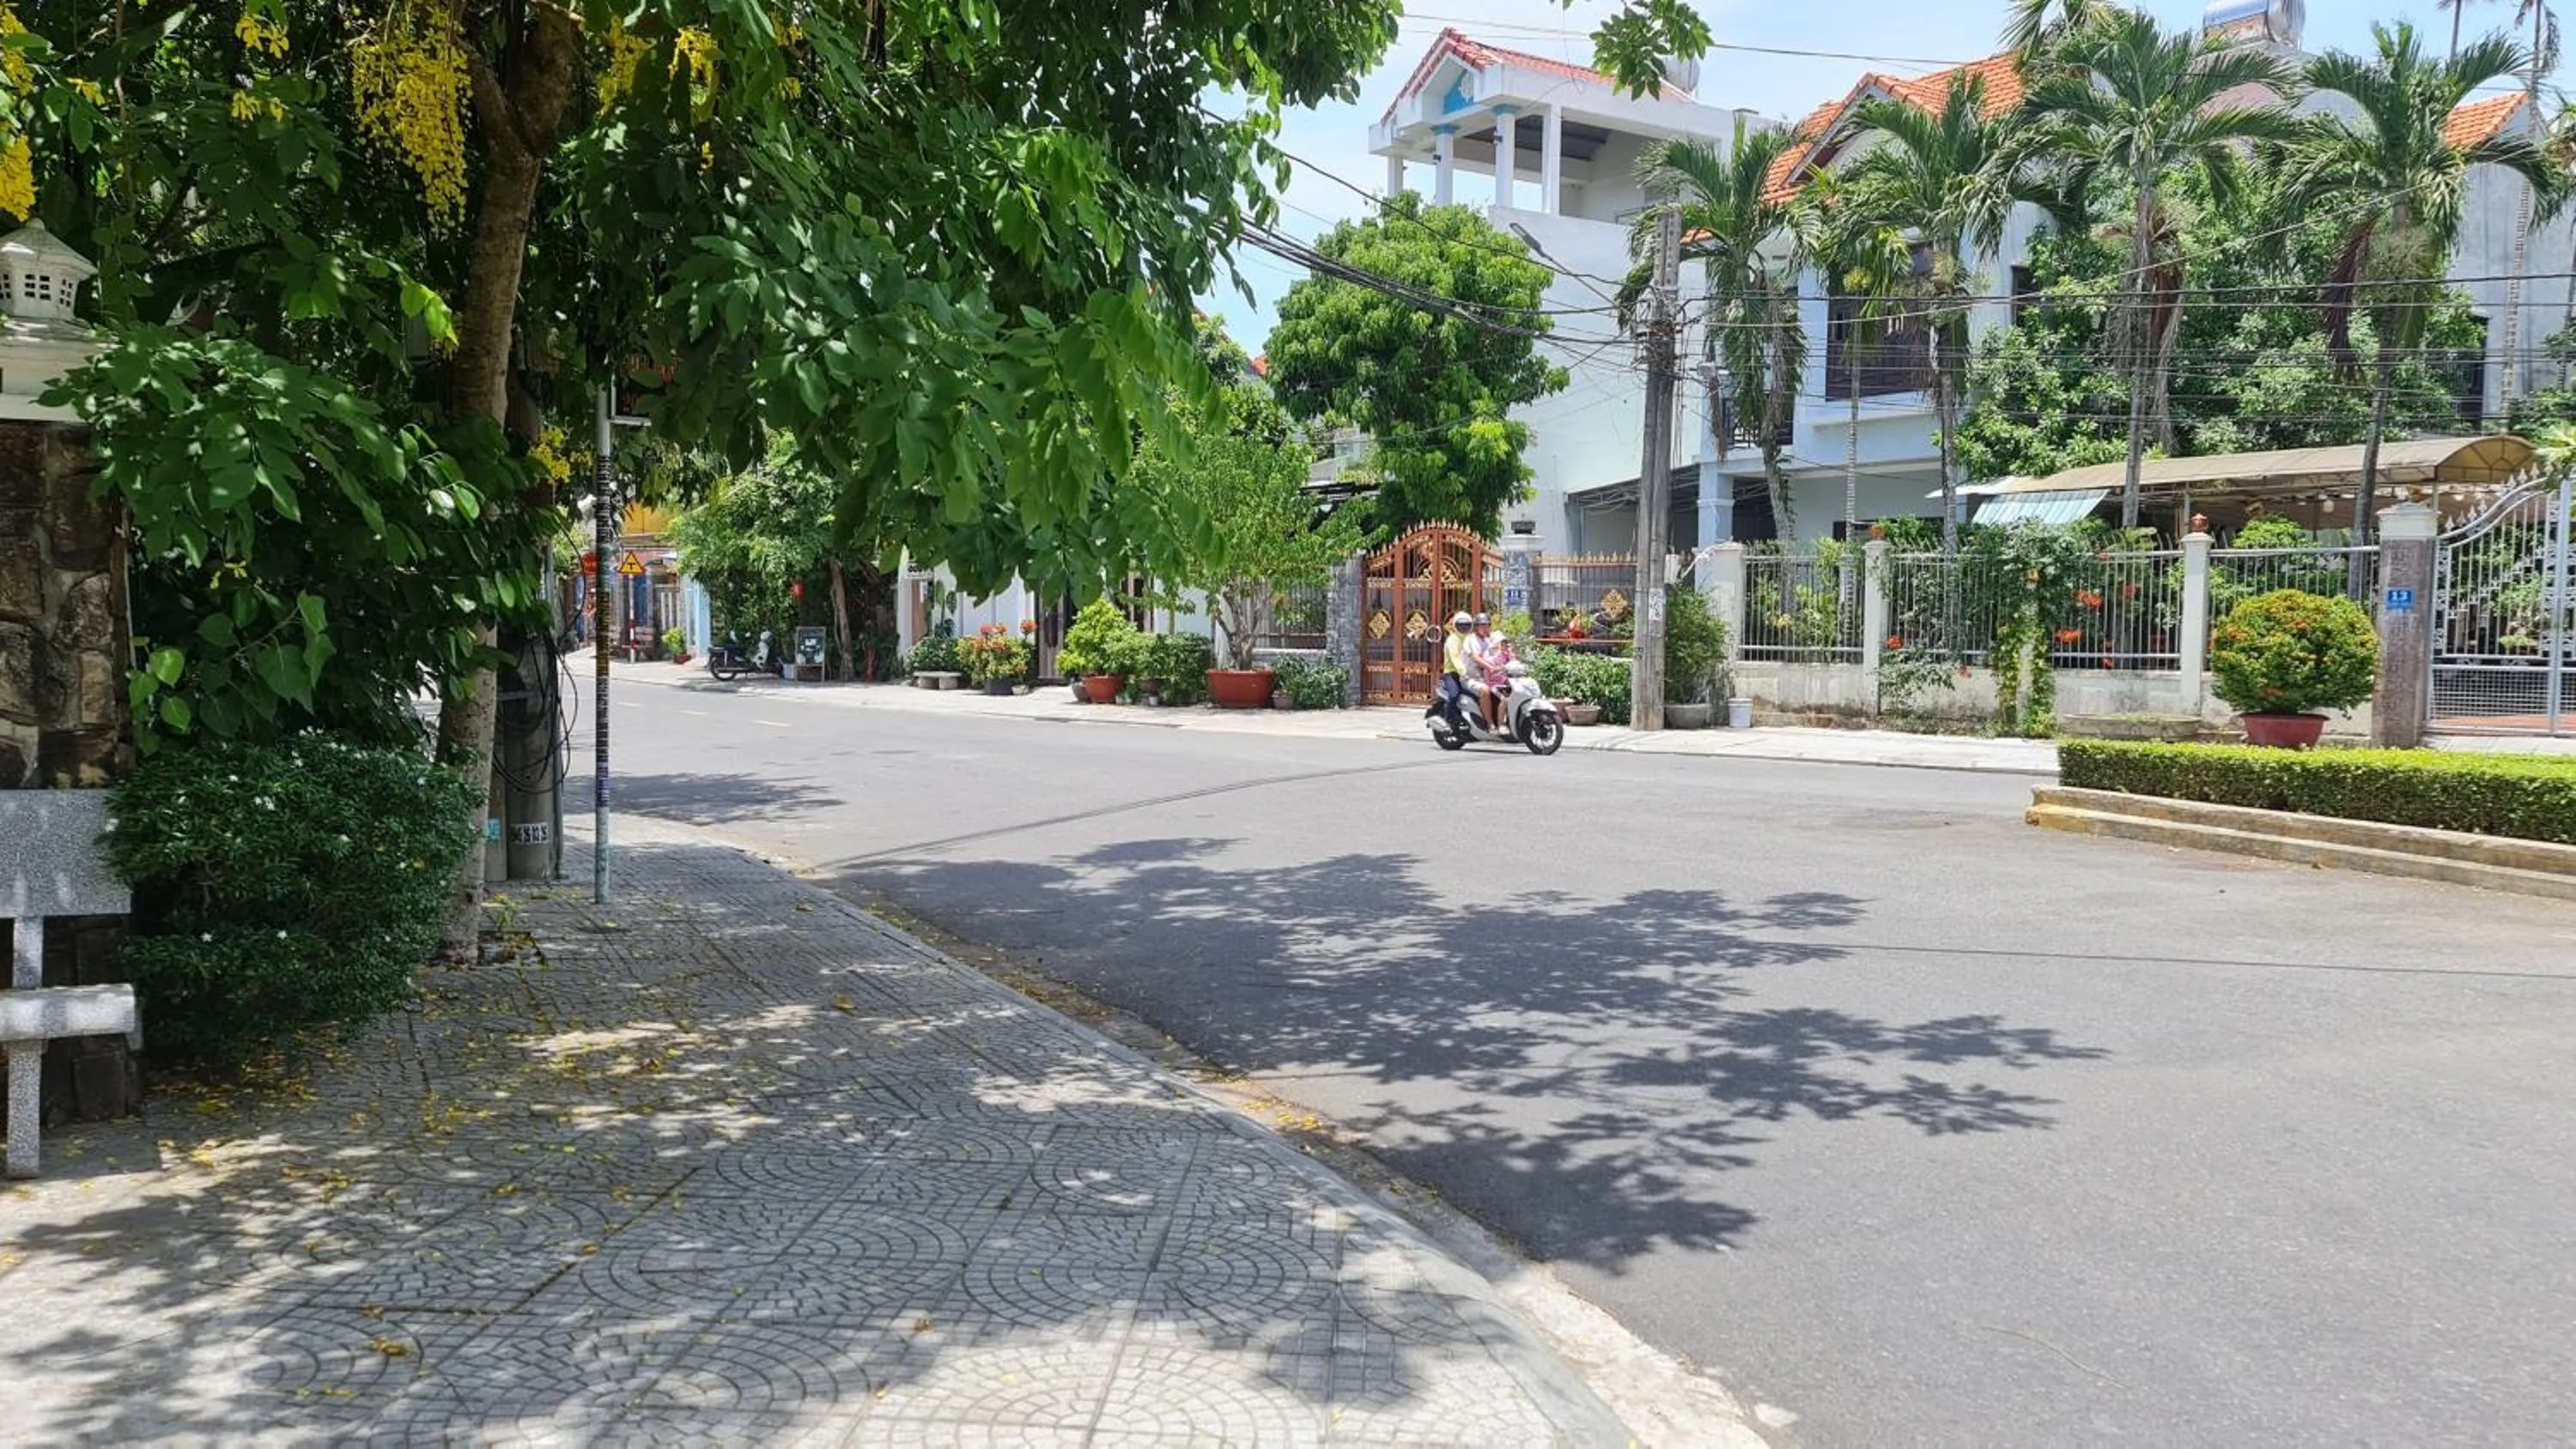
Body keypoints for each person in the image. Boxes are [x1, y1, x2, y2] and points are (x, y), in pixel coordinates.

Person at [1472, 614, 1514, 735]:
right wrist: (1495, 667)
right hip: (1494, 684)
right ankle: (1501, 725)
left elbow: (1513, 662)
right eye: (1501, 643)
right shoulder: (1488, 655)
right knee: (1505, 699)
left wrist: (1510, 654)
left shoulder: (1505, 654)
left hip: (1505, 682)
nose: (1503, 645)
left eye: (1505, 643)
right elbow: (1487, 664)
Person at [1437, 611, 1476, 730]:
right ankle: (1449, 719)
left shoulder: (1471, 639)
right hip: (1452, 673)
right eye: (1461, 625)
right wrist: (1463, 672)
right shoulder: (1452, 640)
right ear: (1455, 626)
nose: (1464, 628)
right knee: (1454, 695)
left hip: (1471, 673)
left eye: (1467, 625)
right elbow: (1455, 659)